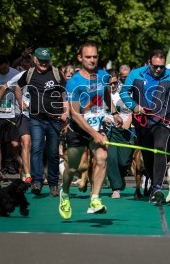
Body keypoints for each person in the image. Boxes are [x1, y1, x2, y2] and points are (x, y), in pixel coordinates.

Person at [59, 42, 122, 219]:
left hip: (98, 125)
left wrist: (114, 112)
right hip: (78, 130)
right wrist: (94, 134)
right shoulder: (74, 83)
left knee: (102, 157)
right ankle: (64, 194)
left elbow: (105, 94)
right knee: (72, 169)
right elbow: (76, 114)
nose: (92, 60)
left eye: (95, 56)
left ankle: (94, 199)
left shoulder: (103, 75)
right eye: (88, 57)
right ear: (80, 58)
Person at [120, 49, 170, 204]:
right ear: (149, 62)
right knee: (147, 155)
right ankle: (152, 179)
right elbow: (124, 92)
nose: (158, 69)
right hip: (142, 122)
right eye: (155, 66)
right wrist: (134, 106)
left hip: (162, 122)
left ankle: (157, 187)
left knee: (159, 149)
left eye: (161, 66)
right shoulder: (136, 74)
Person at [16, 48, 68, 197]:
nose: (44, 63)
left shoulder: (57, 73)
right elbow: (17, 87)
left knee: (52, 152)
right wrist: (20, 102)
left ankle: (53, 184)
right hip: (36, 118)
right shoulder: (29, 74)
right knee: (36, 147)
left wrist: (66, 111)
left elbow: (65, 93)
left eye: (47, 61)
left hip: (54, 119)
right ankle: (37, 182)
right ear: (35, 60)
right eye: (41, 60)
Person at [104, 70, 133, 199]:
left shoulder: (125, 93)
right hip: (110, 131)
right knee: (111, 158)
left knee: (123, 161)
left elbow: (135, 109)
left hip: (126, 131)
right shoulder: (101, 95)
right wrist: (104, 119)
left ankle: (120, 178)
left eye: (115, 83)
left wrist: (128, 121)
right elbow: (95, 111)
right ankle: (116, 188)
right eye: (109, 84)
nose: (112, 86)